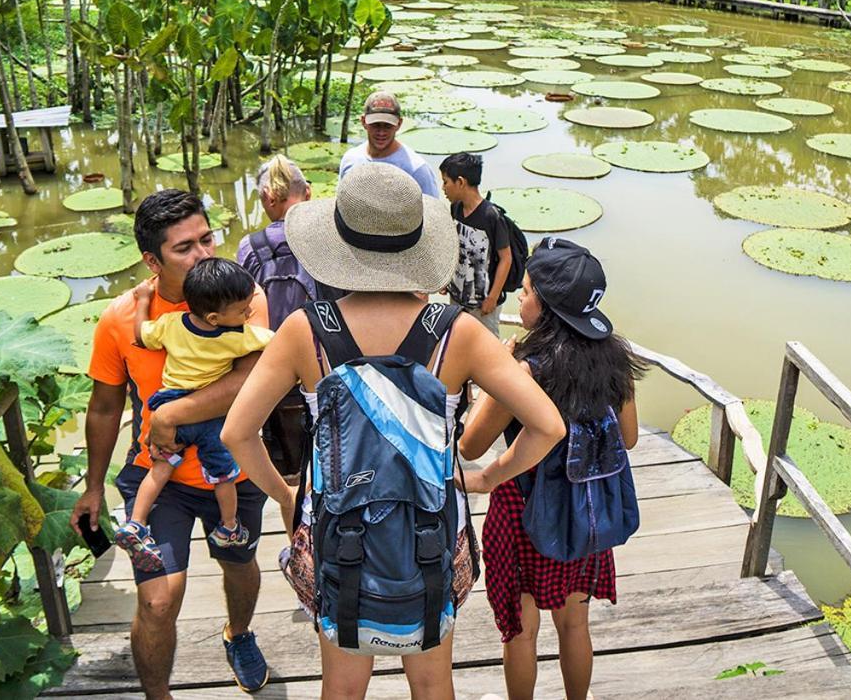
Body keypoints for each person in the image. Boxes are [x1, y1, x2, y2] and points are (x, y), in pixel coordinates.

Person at [220, 165, 566, 700]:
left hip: (338, 531)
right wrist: (486, 477)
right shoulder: (458, 330)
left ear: (337, 244)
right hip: (432, 529)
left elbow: (237, 435)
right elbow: (548, 425)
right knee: (431, 683)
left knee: (342, 686)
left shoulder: (305, 330)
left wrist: (288, 497)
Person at [69, 190, 272, 696]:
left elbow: (252, 377)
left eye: (207, 239)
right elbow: (104, 406)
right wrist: (93, 487)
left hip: (233, 468)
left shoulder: (242, 298)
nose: (204, 253)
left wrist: (173, 413)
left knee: (240, 565)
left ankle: (239, 632)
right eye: (185, 247)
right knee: (158, 602)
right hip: (158, 476)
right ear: (152, 261)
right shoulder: (122, 319)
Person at [460, 238, 646, 700]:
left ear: (547, 307)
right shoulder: (613, 358)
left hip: (523, 513)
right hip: (584, 512)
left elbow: (470, 445)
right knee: (575, 624)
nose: (519, 299)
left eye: (525, 292)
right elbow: (628, 438)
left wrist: (494, 373)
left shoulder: (525, 369)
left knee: (521, 631)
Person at [114, 258, 274, 571]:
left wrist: (144, 300)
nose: (249, 313)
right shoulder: (237, 337)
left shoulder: (172, 324)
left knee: (159, 469)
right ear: (215, 317)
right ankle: (229, 527)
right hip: (209, 415)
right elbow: (277, 342)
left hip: (168, 403)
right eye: (243, 310)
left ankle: (135, 524)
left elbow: (141, 335)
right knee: (223, 475)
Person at [237, 154, 343, 475]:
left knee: (285, 457)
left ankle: (291, 496)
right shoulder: (333, 238)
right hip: (328, 363)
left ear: (268, 198)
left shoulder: (250, 247)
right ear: (307, 193)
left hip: (272, 369)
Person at [439, 151, 513, 335]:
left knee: (487, 346)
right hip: (458, 296)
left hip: (484, 303)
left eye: (446, 181)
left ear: (461, 182)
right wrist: (446, 279)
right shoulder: (455, 208)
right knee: (457, 338)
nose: (443, 188)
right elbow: (454, 245)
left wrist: (493, 297)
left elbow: (506, 258)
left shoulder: (491, 216)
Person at [337, 91, 440, 197]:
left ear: (399, 124)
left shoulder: (416, 169)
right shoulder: (350, 159)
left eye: (388, 126)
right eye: (375, 125)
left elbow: (433, 210)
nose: (381, 132)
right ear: (363, 122)